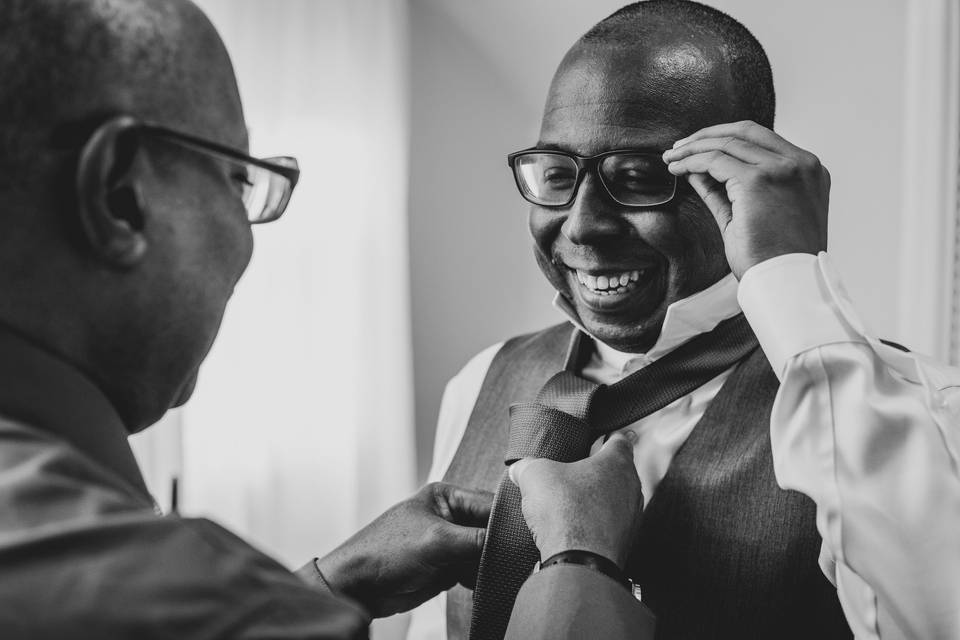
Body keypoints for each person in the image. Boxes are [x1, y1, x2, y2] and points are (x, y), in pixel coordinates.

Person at [0, 0, 654, 638]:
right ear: (120, 197)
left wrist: (329, 587)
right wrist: (578, 562)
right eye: (238, 179)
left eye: (639, 175)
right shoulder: (197, 601)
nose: (587, 222)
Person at [408, 1, 960, 639]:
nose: (582, 224)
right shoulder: (480, 381)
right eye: (558, 173)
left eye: (639, 178)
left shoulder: (918, 415)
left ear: (733, 184)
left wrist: (789, 272)